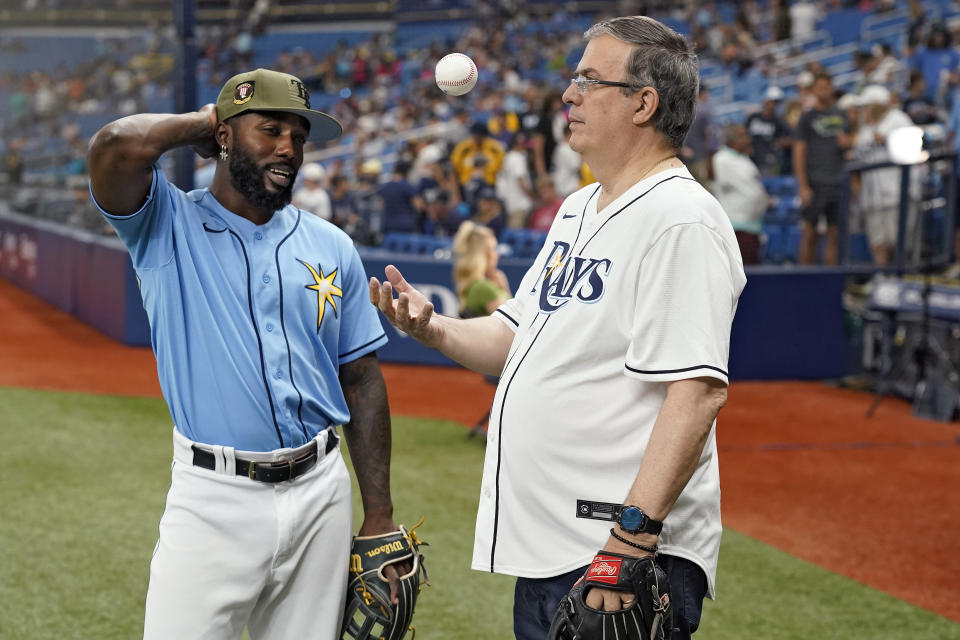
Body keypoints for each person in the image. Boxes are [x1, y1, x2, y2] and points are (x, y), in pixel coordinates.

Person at [370, 16, 745, 640]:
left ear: (643, 104)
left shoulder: (682, 219)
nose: (568, 95)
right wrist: (434, 329)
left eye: (589, 80)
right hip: (557, 548)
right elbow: (514, 338)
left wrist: (631, 539)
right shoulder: (577, 208)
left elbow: (696, 390)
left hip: (616, 549)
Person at [87, 68, 406, 639]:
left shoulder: (330, 243)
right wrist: (202, 122)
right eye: (271, 129)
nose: (289, 147)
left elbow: (360, 377)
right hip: (213, 498)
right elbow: (113, 149)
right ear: (226, 136)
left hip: (320, 494)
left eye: (300, 135)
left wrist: (378, 510)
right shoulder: (165, 223)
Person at [793, 71, 851, 265]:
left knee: (835, 233)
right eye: (820, 88)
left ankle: (830, 281)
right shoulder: (807, 118)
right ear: (814, 90)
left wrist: (848, 142)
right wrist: (802, 185)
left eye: (827, 87)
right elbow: (799, 151)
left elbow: (853, 141)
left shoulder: (842, 115)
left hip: (839, 182)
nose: (824, 91)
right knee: (809, 232)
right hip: (815, 182)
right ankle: (803, 278)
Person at [713, 123, 770, 264]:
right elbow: (746, 187)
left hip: (752, 226)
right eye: (743, 136)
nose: (748, 139)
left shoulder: (743, 159)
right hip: (736, 227)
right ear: (733, 140)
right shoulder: (722, 159)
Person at [452, 221, 511, 317]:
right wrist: (505, 290)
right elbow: (512, 323)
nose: (496, 255)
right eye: (493, 249)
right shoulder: (483, 288)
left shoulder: (475, 285)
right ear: (483, 255)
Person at [746, 86, 792, 176]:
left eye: (776, 102)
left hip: (769, 161)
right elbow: (746, 134)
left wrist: (780, 143)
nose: (773, 104)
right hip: (751, 158)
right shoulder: (753, 117)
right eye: (772, 101)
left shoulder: (778, 121)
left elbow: (784, 139)